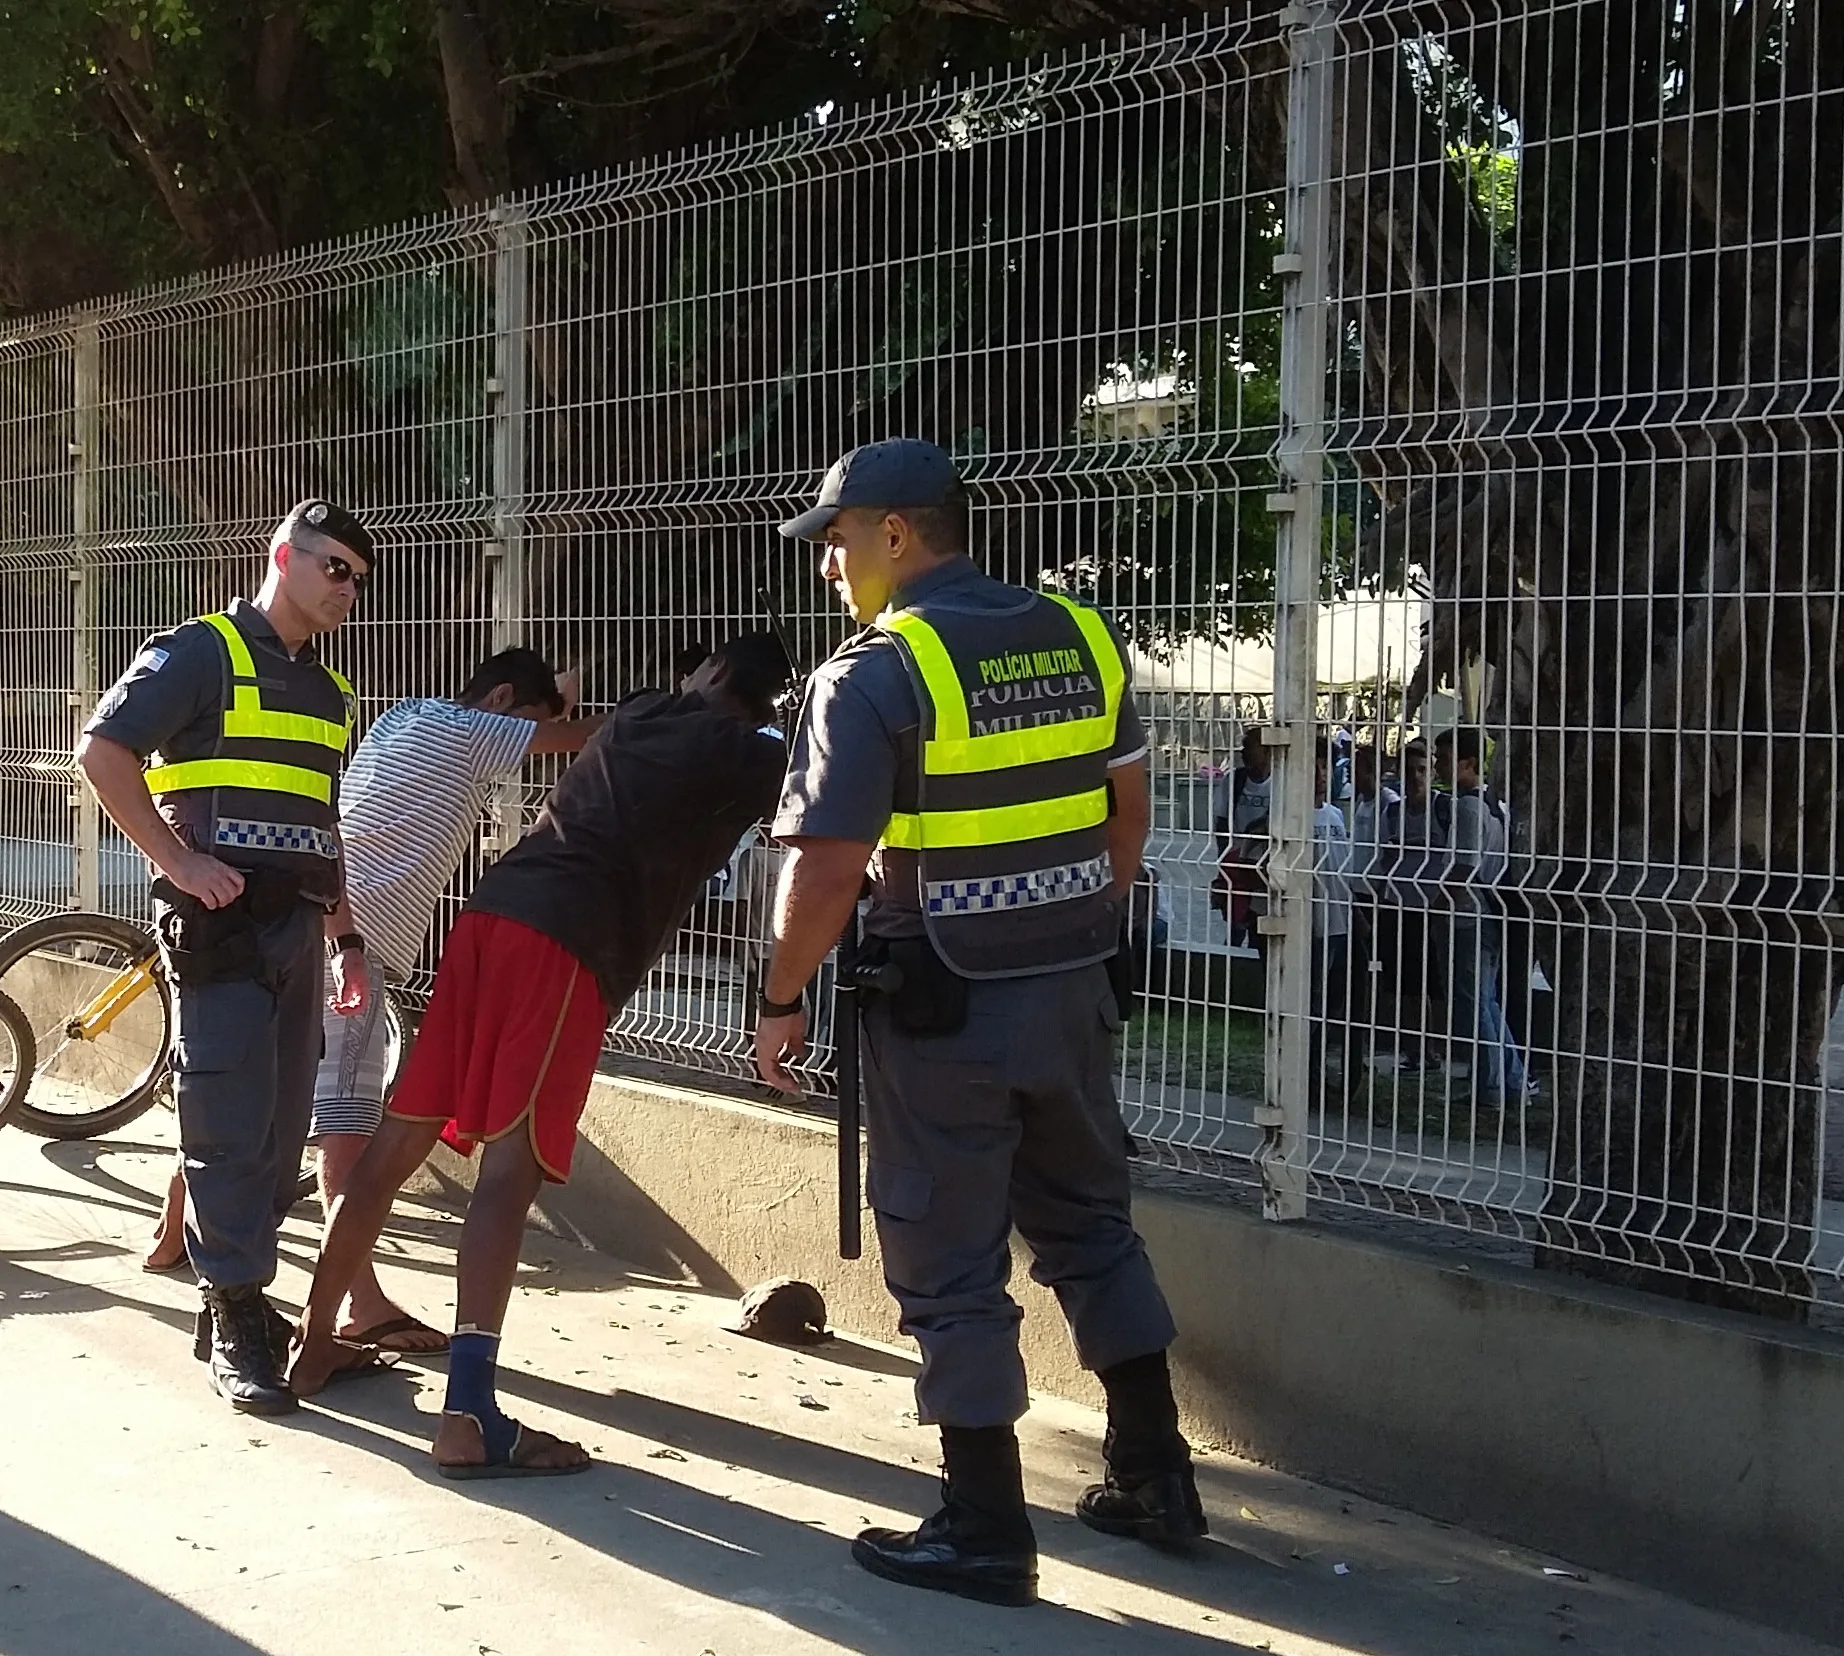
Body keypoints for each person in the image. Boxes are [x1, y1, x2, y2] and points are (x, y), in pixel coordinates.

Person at [755, 438, 1203, 1610]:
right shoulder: (1081, 635)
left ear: (896, 534)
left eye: (838, 541)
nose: (828, 568)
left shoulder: (873, 674)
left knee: (946, 1255)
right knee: (1090, 1226)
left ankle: (984, 1522)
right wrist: (1064, 928)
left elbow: (827, 868)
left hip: (942, 1008)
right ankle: (1155, 1474)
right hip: (1071, 985)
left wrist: (779, 995)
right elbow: (1126, 821)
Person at [287, 635, 791, 1476]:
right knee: (509, 1174)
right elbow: (811, 790)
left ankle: (310, 1347)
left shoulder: (639, 716)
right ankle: (470, 1417)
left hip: (490, 919)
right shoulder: (752, 756)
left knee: (390, 1150)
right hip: (567, 947)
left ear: (707, 676)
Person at [142, 649, 607, 1355]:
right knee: (347, 1132)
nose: (524, 754)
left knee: (252, 1097)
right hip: (354, 943)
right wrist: (674, 710)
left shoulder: (409, 716)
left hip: (303, 922)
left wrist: (556, 698)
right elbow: (582, 738)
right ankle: (359, 1305)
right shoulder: (476, 732)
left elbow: (547, 722)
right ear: (504, 699)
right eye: (528, 724)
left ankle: (176, 1231)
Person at [77, 499, 383, 1414]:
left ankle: (239, 1302)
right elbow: (103, 752)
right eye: (334, 568)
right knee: (224, 1119)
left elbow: (322, 826)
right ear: (282, 557)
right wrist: (177, 861)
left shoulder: (331, 695)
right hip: (218, 933)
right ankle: (236, 1306)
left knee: (284, 1125)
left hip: (297, 931)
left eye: (360, 581)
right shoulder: (204, 650)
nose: (348, 591)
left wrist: (347, 936)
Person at [1433, 727, 1528, 1103]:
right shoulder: (1493, 806)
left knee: (1474, 1004)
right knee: (1484, 1000)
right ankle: (1510, 1077)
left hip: (1469, 914)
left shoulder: (1470, 806)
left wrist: (1438, 904)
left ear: (1468, 763)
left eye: (1443, 759)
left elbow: (1465, 865)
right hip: (1486, 910)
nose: (1438, 765)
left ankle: (1493, 1083)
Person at [1373, 737, 1444, 1070]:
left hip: (1430, 906)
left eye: (1422, 770)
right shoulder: (1394, 811)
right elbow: (1385, 855)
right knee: (1400, 984)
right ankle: (1411, 1047)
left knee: (1428, 984)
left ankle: (1428, 1049)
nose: (1416, 777)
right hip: (1398, 903)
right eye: (1409, 770)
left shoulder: (1444, 808)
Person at [1312, 746, 1353, 1082]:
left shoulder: (1335, 816)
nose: (1322, 776)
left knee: (1334, 999)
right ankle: (1309, 1063)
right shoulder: (1291, 818)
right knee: (1311, 998)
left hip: (1340, 920)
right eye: (1315, 767)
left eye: (1325, 768)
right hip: (1310, 922)